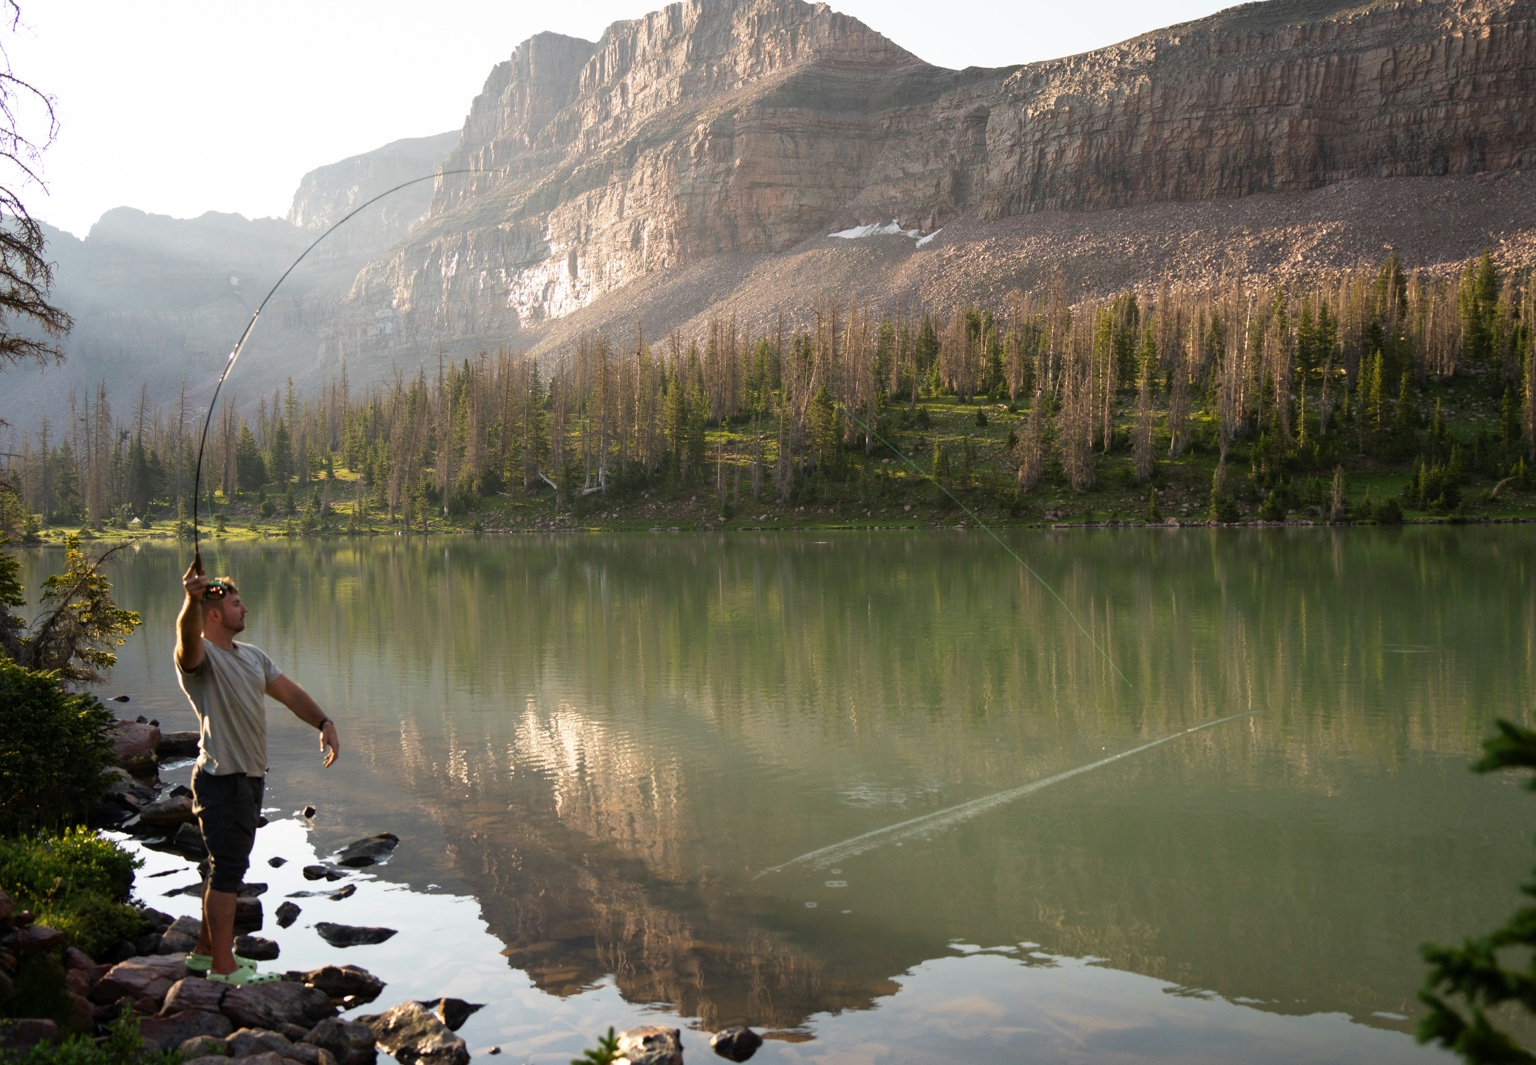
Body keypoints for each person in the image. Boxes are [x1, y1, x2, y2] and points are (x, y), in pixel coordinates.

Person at [176, 556, 340, 985]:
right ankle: (224, 968)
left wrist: (324, 722)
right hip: (222, 779)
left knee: (220, 868)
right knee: (229, 872)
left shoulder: (252, 657)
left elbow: (288, 693)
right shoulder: (202, 659)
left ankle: (204, 952)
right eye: (236, 604)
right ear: (214, 613)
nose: (244, 609)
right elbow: (186, 644)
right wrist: (189, 602)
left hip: (249, 779)